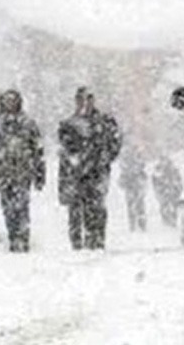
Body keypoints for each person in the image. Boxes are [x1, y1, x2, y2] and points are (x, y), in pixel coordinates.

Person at [58, 87, 122, 250]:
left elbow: (115, 141)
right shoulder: (68, 124)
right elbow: (65, 149)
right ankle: (77, 242)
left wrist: (105, 158)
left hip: (97, 171)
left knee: (97, 207)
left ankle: (96, 240)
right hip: (75, 173)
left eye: (88, 99)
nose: (85, 103)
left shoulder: (105, 122)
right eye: (81, 99)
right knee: (75, 209)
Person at [0, 89, 45, 252]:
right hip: (3, 174)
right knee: (8, 209)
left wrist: (40, 174)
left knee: (22, 208)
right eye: (6, 100)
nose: (10, 103)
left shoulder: (28, 123)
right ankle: (13, 238)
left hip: (23, 173)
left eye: (13, 100)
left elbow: (38, 150)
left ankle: (23, 239)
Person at [119, 146, 148, 232]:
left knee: (135, 205)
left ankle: (136, 224)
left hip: (133, 185)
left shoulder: (129, 162)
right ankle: (138, 224)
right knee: (137, 205)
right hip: (134, 185)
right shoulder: (133, 161)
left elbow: (142, 168)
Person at [152, 156, 184, 228]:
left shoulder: (170, 169)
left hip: (170, 189)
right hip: (166, 189)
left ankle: (171, 220)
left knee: (170, 204)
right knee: (166, 204)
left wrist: (177, 187)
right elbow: (155, 180)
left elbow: (178, 179)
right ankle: (168, 219)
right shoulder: (160, 169)